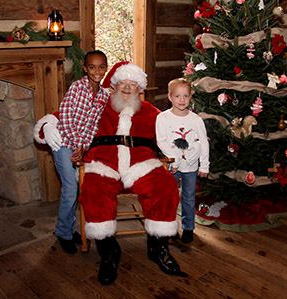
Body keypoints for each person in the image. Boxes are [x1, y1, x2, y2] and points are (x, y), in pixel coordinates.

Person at [34, 62, 183, 285]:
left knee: (165, 185)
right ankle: (109, 251)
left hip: (141, 164)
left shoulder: (151, 112)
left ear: (139, 89)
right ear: (113, 85)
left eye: (132, 84)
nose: (126, 87)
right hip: (103, 164)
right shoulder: (97, 105)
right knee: (93, 190)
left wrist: (184, 145)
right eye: (122, 83)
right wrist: (48, 125)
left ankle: (158, 247)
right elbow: (61, 115)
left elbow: (173, 127)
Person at [34, 50, 109, 254]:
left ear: (106, 68)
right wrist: (76, 144)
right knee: (70, 189)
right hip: (63, 144)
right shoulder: (77, 88)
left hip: (79, 146)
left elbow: (94, 125)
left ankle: (67, 227)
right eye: (92, 67)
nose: (97, 71)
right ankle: (63, 233)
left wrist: (83, 146)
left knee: (76, 189)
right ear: (85, 69)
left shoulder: (103, 95)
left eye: (101, 67)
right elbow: (66, 118)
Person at [156, 78, 210, 244]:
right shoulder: (163, 118)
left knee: (188, 197)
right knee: (170, 196)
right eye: (178, 96)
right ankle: (169, 227)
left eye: (185, 96)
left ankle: (188, 227)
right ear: (170, 97)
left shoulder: (196, 120)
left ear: (190, 97)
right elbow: (162, 141)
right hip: (171, 165)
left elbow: (203, 142)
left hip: (191, 166)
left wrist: (205, 165)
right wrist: (176, 159)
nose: (181, 100)